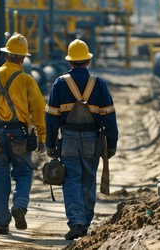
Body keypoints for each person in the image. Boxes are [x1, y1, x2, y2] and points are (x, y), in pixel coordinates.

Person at [0, 33, 46, 235]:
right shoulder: (27, 80)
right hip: (19, 134)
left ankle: (1, 223)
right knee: (24, 172)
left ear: (6, 56)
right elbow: (39, 110)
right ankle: (19, 206)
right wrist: (42, 136)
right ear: (22, 59)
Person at [45, 38, 118, 240]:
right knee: (88, 180)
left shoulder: (60, 83)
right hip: (91, 140)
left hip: (67, 139)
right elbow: (110, 118)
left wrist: (50, 144)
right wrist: (111, 144)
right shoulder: (99, 84)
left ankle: (76, 222)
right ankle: (85, 223)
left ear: (70, 62)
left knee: (71, 181)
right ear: (87, 61)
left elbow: (51, 118)